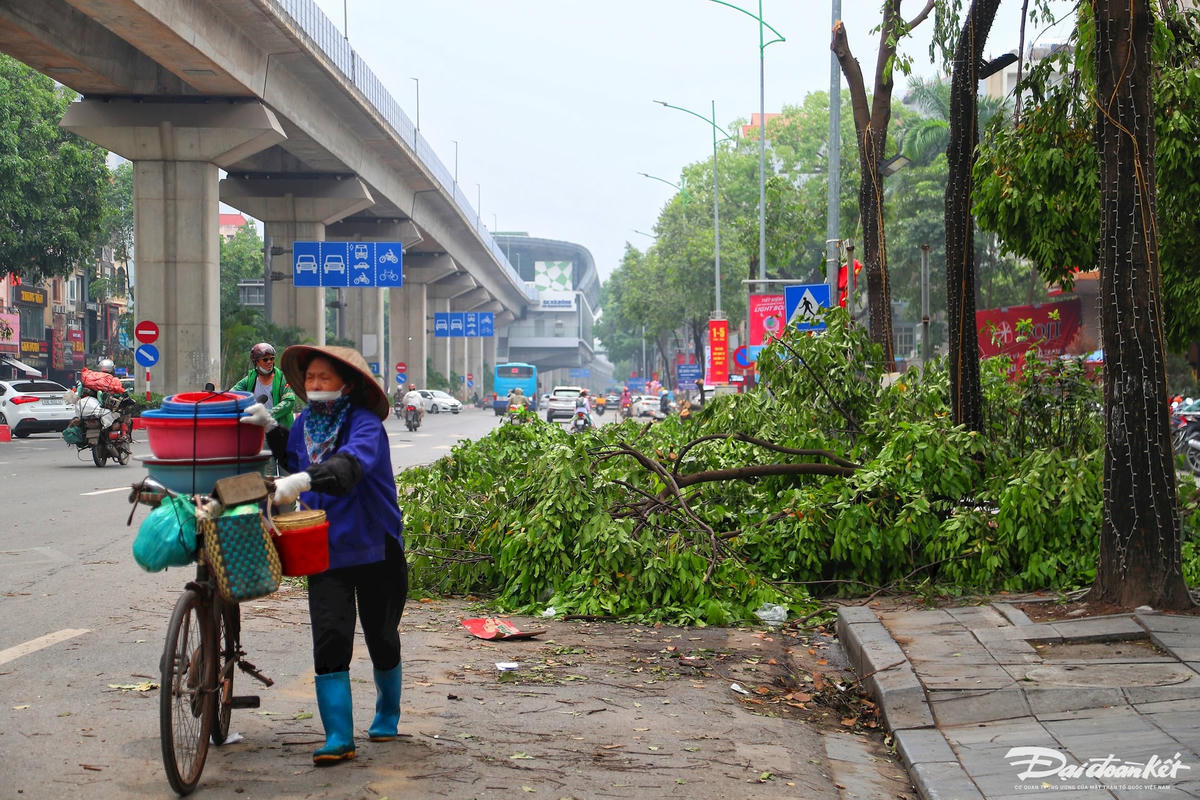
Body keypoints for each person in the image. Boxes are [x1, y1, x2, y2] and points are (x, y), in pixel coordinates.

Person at [239, 345, 407, 766]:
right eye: (310, 377)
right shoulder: (304, 425)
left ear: (346, 385)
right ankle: (338, 736)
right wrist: (271, 426)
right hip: (325, 546)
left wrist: (299, 482)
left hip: (375, 545)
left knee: (381, 635)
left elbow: (348, 468)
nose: (314, 384)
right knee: (330, 635)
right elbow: (294, 458)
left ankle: (387, 712)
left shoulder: (364, 424)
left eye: (324, 378)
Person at [231, 343, 297, 428]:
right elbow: (231, 394)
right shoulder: (249, 380)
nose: (269, 362)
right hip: (257, 428)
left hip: (280, 429)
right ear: (256, 362)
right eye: (265, 359)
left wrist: (267, 414)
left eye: (272, 358)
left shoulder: (283, 379)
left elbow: (289, 402)